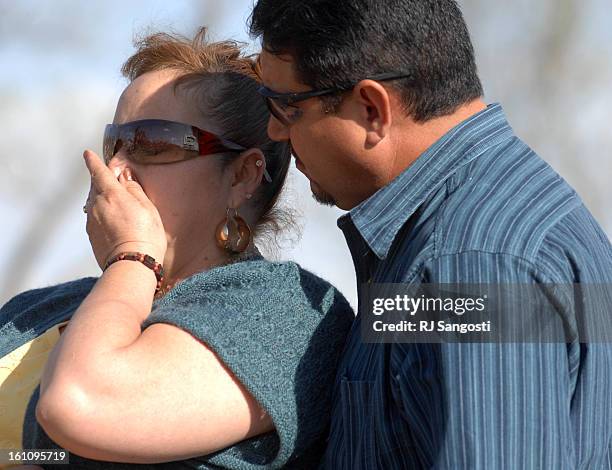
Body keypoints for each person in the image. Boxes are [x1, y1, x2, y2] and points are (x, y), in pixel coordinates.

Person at [249, 0, 612, 468]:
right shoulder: (470, 225)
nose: (273, 131)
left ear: (371, 108)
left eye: (285, 108)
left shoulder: (468, 261)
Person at [0, 29, 354, 469]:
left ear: (242, 175)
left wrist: (131, 255)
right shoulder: (42, 307)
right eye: (115, 143)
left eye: (151, 142)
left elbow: (78, 403)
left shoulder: (289, 313)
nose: (114, 169)